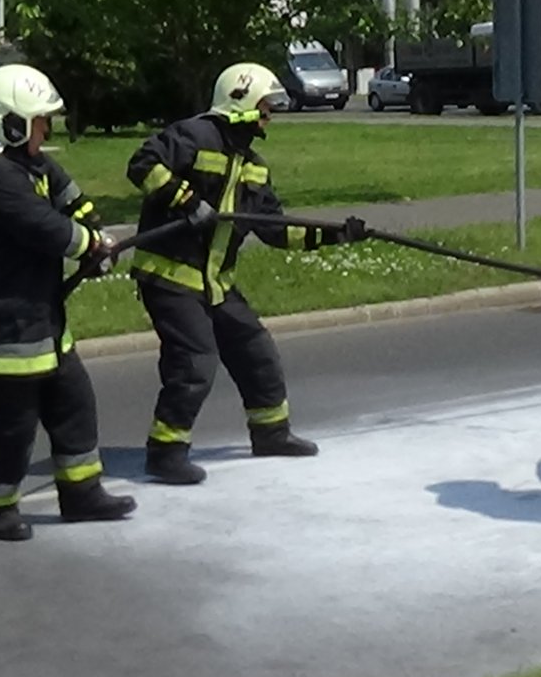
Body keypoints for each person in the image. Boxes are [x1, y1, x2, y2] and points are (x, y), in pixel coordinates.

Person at [124, 62, 369, 485]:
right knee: (196, 361)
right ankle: (165, 452)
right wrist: (186, 201)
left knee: (255, 350)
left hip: (214, 284)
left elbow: (277, 232)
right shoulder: (195, 136)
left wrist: (336, 236)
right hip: (170, 278)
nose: (270, 114)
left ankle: (271, 433)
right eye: (265, 105)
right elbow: (143, 164)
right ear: (240, 101)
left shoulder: (254, 166)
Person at [0, 65, 137, 541]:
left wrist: (98, 231)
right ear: (10, 124)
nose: (46, 129)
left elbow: (71, 200)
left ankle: (82, 494)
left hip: (39, 322)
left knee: (74, 403)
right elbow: (46, 229)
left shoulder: (33, 166)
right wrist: (90, 246)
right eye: (39, 120)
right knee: (14, 427)